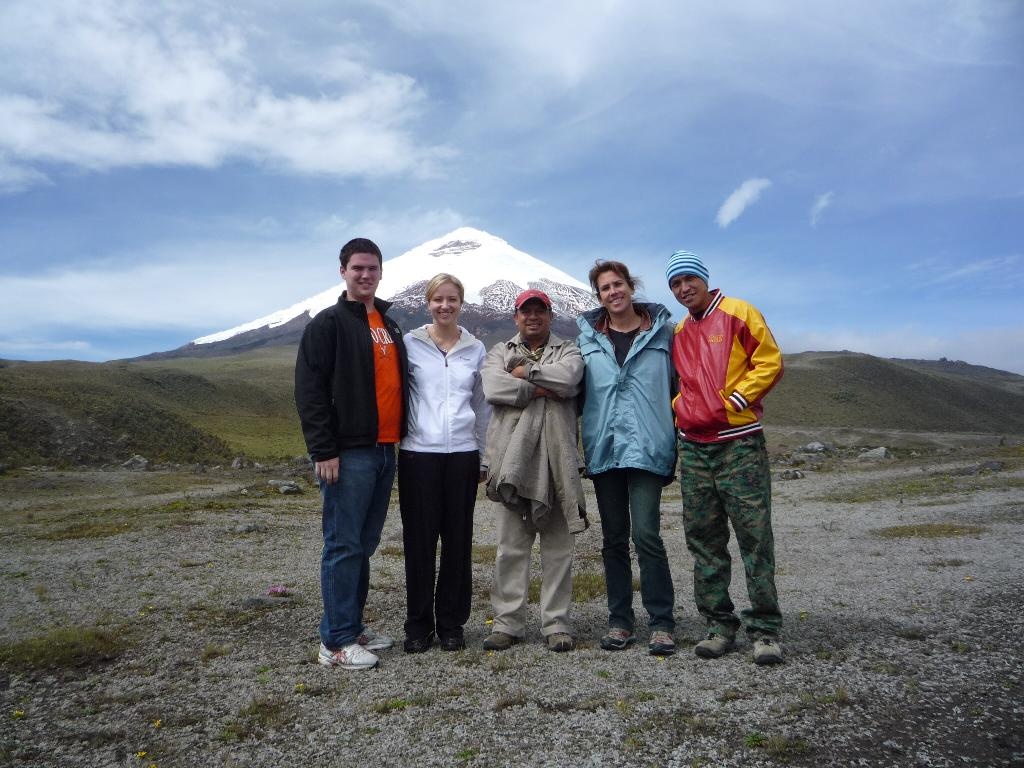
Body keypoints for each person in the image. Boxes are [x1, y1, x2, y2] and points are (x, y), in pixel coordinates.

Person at [665, 249, 785, 665]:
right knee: (703, 539)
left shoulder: (739, 313)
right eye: (675, 284)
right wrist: (681, 410)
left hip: (739, 443)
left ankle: (765, 630)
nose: (683, 288)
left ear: (703, 278)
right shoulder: (680, 330)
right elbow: (681, 382)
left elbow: (769, 361)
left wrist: (737, 399)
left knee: (754, 537)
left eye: (688, 279)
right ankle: (719, 625)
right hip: (694, 446)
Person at [294, 237, 408, 670]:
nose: (365, 274)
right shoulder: (327, 324)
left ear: (381, 272)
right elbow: (309, 391)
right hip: (348, 452)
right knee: (342, 544)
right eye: (357, 267)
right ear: (342, 271)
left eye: (372, 268)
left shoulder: (388, 324)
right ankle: (336, 641)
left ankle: (352, 625)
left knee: (363, 543)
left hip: (385, 449)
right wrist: (324, 450)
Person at [576, 260, 678, 656]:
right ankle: (620, 620)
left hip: (650, 447)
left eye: (618, 284)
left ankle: (662, 621)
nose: (613, 292)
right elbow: (574, 393)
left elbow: (681, 387)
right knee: (613, 539)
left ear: (631, 287)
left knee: (647, 535)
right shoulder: (586, 341)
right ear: (598, 296)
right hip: (606, 448)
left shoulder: (664, 334)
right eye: (605, 288)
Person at [480, 289, 586, 653]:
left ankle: (557, 623)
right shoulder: (500, 352)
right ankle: (507, 623)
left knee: (558, 550)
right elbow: (494, 387)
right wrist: (543, 388)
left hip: (558, 463)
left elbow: (570, 380)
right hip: (510, 462)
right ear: (516, 317)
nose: (533, 317)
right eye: (526, 311)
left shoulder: (569, 350)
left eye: (540, 311)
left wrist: (525, 374)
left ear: (550, 316)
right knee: (510, 548)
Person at [398, 273, 491, 653]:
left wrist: (483, 455)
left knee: (458, 542)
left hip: (463, 456)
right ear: (428, 303)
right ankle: (418, 626)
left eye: (452, 299)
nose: (445, 306)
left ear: (461, 303)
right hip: (418, 453)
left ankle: (452, 624)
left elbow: (482, 407)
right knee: (419, 542)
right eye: (438, 299)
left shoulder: (476, 349)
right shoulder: (410, 344)